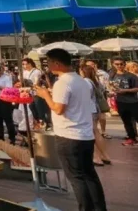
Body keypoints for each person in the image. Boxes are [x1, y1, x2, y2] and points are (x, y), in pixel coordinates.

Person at [35, 48, 107, 211]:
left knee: (77, 178)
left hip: (69, 136)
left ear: (57, 63)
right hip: (85, 135)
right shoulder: (81, 81)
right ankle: (100, 208)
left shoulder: (63, 82)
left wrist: (45, 95)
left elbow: (58, 108)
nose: (48, 66)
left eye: (49, 63)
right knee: (89, 175)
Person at [109, 57, 138, 150]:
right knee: (126, 121)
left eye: (121, 64)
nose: (119, 66)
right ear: (113, 65)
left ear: (124, 64)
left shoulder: (131, 76)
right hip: (120, 101)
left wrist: (125, 90)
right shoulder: (113, 75)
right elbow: (112, 86)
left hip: (132, 102)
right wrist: (111, 93)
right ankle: (131, 138)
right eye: (117, 64)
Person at [80, 64, 112, 166]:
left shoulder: (85, 82)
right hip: (95, 109)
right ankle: (105, 156)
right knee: (96, 132)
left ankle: (96, 157)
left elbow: (85, 97)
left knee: (90, 133)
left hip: (89, 110)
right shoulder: (95, 82)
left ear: (83, 72)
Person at [86, 60, 112, 139]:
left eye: (92, 65)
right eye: (88, 66)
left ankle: (103, 131)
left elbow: (105, 84)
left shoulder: (102, 74)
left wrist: (108, 90)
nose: (91, 67)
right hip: (93, 99)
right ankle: (95, 131)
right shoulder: (86, 77)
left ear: (95, 65)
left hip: (100, 97)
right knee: (95, 117)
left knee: (102, 116)